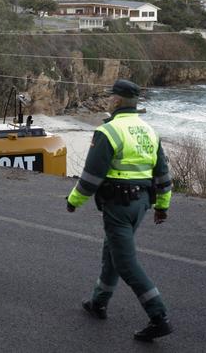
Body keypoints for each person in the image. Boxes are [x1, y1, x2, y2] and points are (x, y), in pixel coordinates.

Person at [66, 79, 174, 342]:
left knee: (125, 263)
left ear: (116, 101)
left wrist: (73, 201)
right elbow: (163, 176)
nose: (108, 101)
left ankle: (158, 316)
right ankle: (98, 303)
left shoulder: (109, 132)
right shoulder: (150, 132)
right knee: (112, 253)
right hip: (142, 205)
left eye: (110, 97)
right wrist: (162, 206)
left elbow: (91, 177)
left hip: (118, 205)